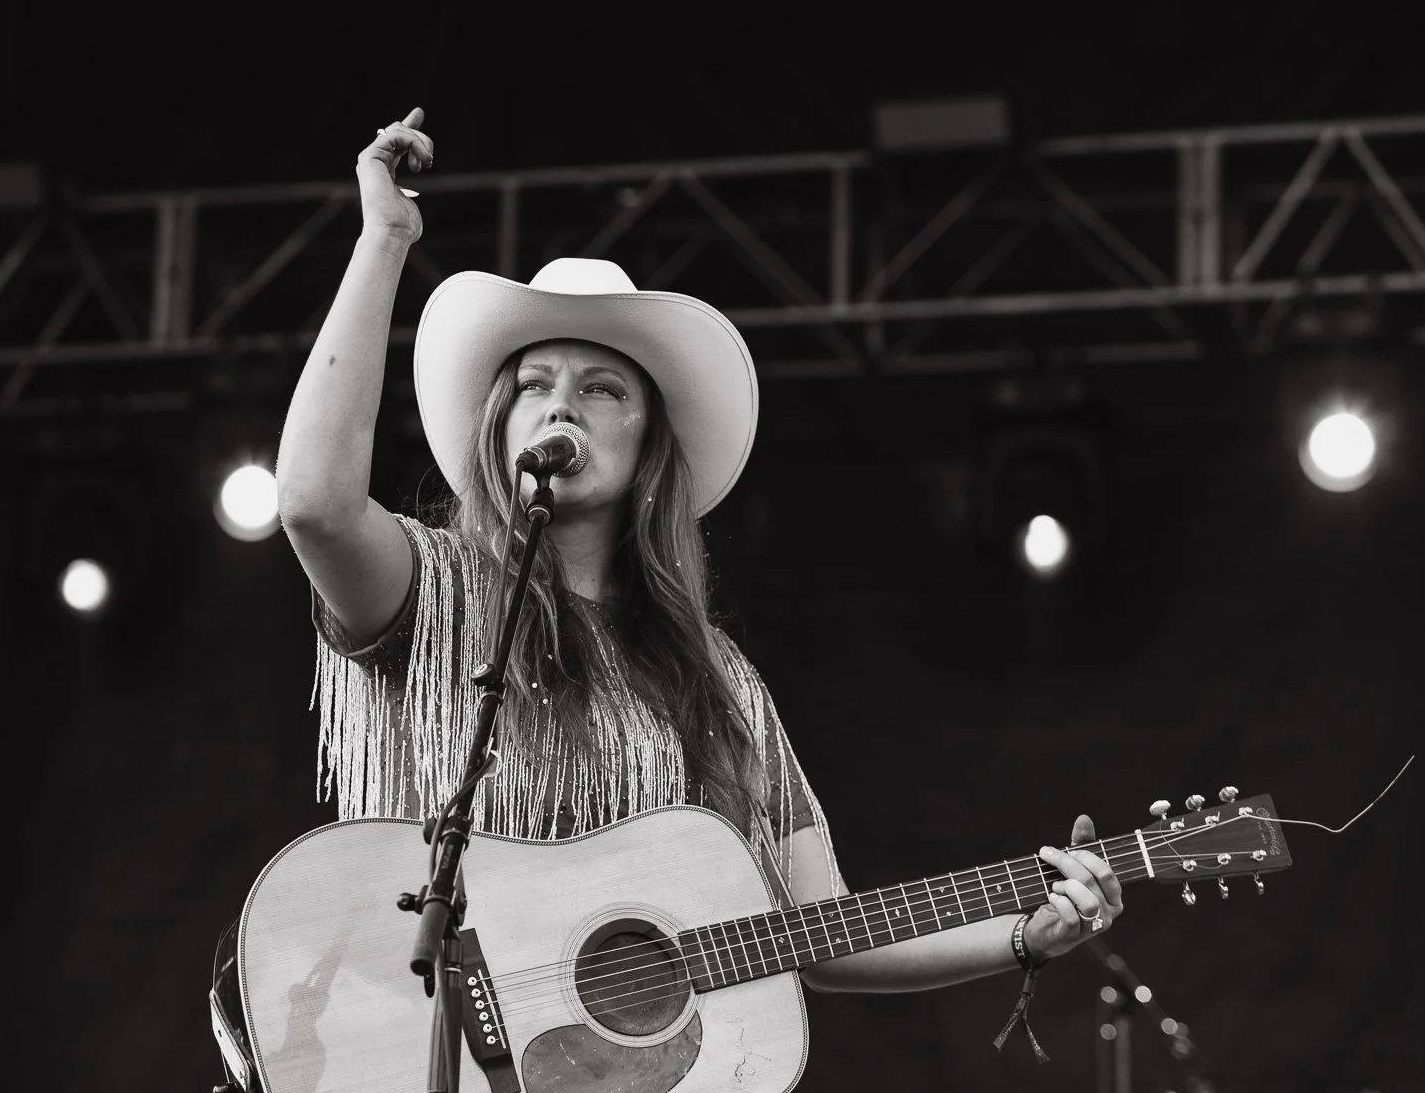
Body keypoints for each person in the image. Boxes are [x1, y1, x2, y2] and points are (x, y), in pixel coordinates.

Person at [273, 107, 1122, 1058]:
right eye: (533, 382)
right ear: (499, 426)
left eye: (602, 388)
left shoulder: (721, 685)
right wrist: (384, 239)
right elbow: (312, 503)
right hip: (404, 1047)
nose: (561, 401)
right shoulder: (433, 588)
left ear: (646, 449)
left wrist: (1021, 934)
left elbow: (821, 928)